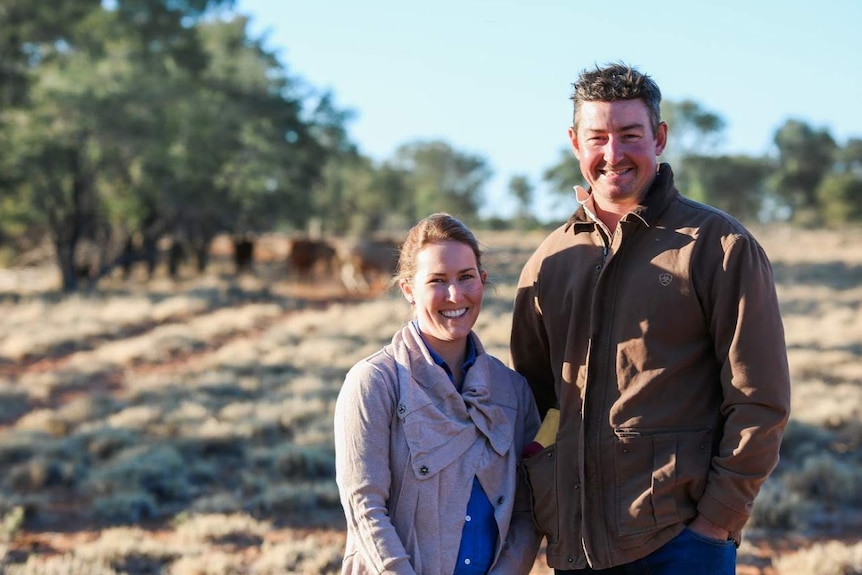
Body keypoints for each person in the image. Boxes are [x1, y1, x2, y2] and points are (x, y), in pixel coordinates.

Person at [509, 62, 791, 574]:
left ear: (659, 138)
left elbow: (759, 400)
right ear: (575, 143)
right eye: (597, 137)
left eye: (630, 135)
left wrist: (716, 523)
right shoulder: (549, 261)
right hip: (576, 546)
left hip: (680, 546)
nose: (613, 155)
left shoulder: (719, 248)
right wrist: (548, 489)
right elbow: (537, 404)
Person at [334, 213, 542, 575]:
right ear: (408, 290)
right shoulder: (374, 382)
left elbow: (527, 507)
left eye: (466, 277)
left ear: (483, 281)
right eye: (437, 281)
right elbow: (364, 506)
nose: (454, 295)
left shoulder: (513, 391)